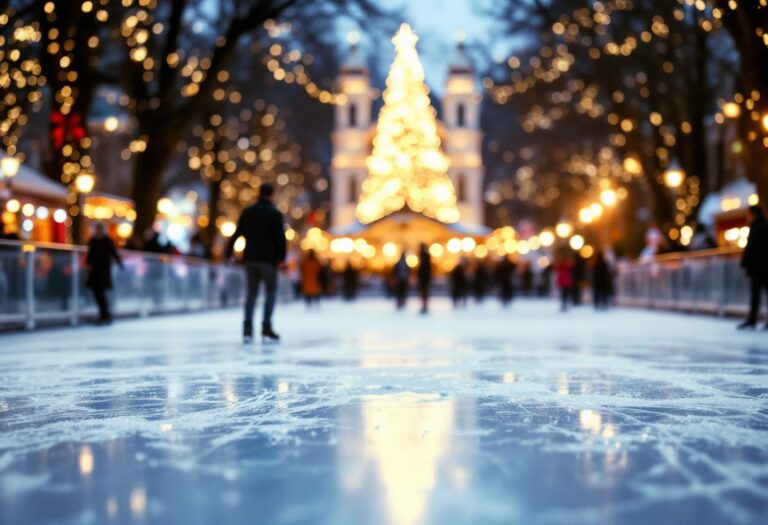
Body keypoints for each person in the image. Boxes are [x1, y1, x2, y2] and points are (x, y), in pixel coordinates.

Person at [226, 183, 286, 343]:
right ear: (272, 194)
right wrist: (282, 258)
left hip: (250, 259)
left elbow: (236, 234)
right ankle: (266, 327)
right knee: (270, 293)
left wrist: (229, 253)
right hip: (268, 260)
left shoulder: (248, 212)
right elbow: (280, 239)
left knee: (251, 294)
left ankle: (247, 328)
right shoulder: (275, 214)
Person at [86, 223, 124, 325]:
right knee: (97, 294)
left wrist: (120, 264)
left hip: (103, 271)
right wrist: (88, 264)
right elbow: (90, 254)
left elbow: (113, 253)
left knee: (101, 293)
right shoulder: (92, 241)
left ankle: (105, 315)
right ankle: (105, 315)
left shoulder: (107, 241)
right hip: (94, 271)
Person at [739, 205, 768, 329]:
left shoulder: (757, 227)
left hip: (759, 266)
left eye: (748, 214)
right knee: (756, 293)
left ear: (753, 214)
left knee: (756, 294)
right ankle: (752, 320)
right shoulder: (760, 226)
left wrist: (745, 262)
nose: (747, 217)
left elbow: (752, 248)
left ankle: (752, 320)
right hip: (760, 266)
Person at [417, 243, 432, 314]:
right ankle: (424, 306)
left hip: (424, 278)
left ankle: (424, 306)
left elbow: (423, 269)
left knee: (424, 293)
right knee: (424, 293)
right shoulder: (425, 258)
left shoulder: (424, 258)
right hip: (424, 278)